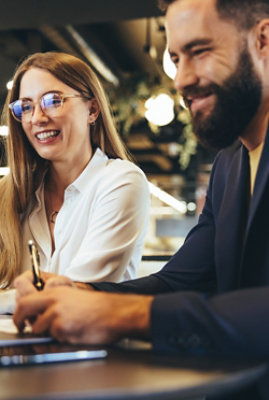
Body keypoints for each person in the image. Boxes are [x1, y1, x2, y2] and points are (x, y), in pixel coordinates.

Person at [13, 0, 269, 397]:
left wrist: (132, 315)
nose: (182, 79)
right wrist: (83, 293)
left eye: (199, 52)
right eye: (175, 60)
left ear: (263, 40)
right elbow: (179, 280)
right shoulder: (229, 164)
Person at [0, 51, 149, 313]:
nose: (37, 118)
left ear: (92, 110)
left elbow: (77, 296)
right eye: (26, 106)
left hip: (96, 351)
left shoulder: (121, 181)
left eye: (53, 101)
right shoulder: (9, 195)